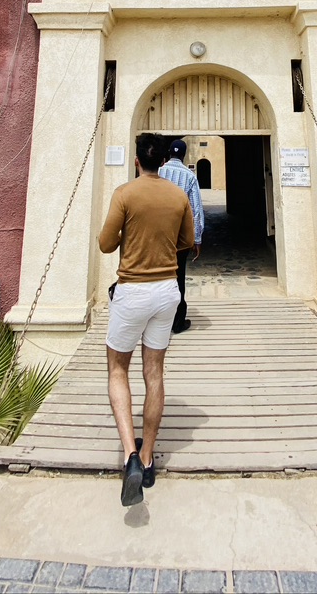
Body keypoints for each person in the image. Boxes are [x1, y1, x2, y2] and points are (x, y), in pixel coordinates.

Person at [98, 132, 194, 507]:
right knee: (154, 373)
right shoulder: (178, 194)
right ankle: (150, 455)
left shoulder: (125, 194)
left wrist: (129, 233)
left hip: (133, 291)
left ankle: (130, 456)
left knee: (117, 370)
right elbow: (187, 240)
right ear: (164, 162)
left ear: (138, 161)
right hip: (167, 290)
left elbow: (106, 243)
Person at [158, 138, 204, 334]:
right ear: (184, 155)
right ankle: (177, 322)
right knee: (178, 278)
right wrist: (197, 239)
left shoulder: (157, 172)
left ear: (168, 152)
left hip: (156, 236)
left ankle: (156, 321)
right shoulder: (189, 176)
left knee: (156, 276)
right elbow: (196, 211)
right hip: (179, 238)